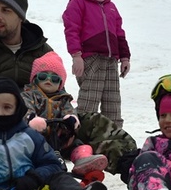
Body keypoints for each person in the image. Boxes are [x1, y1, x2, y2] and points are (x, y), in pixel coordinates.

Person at [0, 0, 138, 174]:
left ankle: (131, 164)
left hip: (47, 122)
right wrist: (26, 119)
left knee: (92, 122)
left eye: (6, 10)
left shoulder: (41, 50)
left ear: (20, 16)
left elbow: (57, 91)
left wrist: (64, 121)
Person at [63, 0, 130, 127]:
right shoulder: (78, 4)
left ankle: (115, 140)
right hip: (91, 61)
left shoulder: (110, 6)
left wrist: (124, 58)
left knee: (112, 105)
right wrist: (76, 56)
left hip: (111, 62)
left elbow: (119, 34)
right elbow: (72, 30)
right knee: (89, 104)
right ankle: (81, 136)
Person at [22, 50, 107, 180]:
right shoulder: (29, 95)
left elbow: (69, 110)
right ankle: (33, 166)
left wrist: (71, 119)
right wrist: (31, 118)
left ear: (60, 83)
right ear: (35, 79)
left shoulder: (63, 99)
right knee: (29, 145)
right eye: (43, 77)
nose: (48, 81)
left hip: (59, 137)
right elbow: (24, 108)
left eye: (54, 79)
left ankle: (83, 159)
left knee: (77, 143)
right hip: (37, 137)